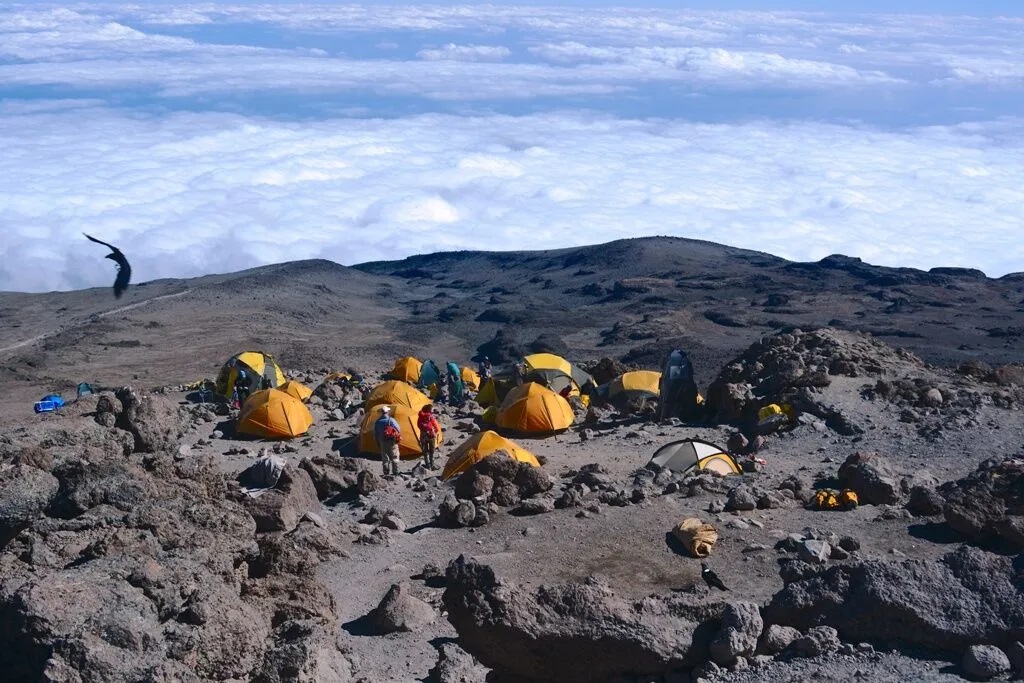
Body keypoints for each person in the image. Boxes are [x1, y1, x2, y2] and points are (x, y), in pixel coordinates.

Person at [373, 406, 402, 476]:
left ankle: (386, 473)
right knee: (395, 456)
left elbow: (375, 434)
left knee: (385, 458)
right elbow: (398, 429)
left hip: (382, 441)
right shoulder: (391, 420)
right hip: (392, 441)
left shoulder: (378, 422)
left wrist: (378, 443)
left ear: (381, 412)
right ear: (387, 412)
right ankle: (395, 472)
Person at [417, 404, 441, 469]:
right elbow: (435, 425)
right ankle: (432, 464)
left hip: (423, 435)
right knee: (431, 450)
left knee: (425, 450)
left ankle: (427, 464)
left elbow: (418, 425)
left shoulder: (420, 417)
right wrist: (435, 431)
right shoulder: (430, 416)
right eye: (432, 409)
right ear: (429, 410)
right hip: (431, 435)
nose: (433, 411)